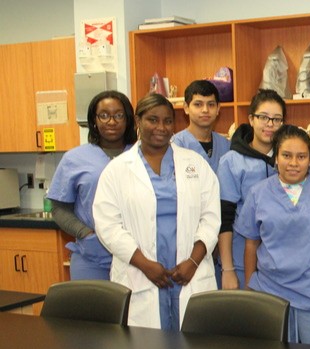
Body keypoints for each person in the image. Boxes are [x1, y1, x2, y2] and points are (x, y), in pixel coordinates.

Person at [93, 93, 220, 330]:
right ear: (138, 122)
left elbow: (211, 217)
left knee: (194, 344)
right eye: (152, 119)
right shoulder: (117, 170)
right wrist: (144, 264)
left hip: (189, 271)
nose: (161, 127)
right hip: (140, 273)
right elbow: (108, 226)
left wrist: (193, 261)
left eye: (167, 121)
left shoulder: (195, 164)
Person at [235, 124, 310, 346]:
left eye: (301, 156)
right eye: (287, 155)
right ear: (276, 158)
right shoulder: (259, 193)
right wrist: (250, 285)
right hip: (270, 292)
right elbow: (251, 243)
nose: (293, 163)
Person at [48, 90, 137, 280]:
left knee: (134, 310)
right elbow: (58, 208)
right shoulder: (74, 158)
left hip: (138, 259)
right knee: (92, 309)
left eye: (119, 115)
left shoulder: (142, 155)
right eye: (104, 115)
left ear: (128, 119)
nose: (111, 122)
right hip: (92, 258)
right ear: (94, 121)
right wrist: (86, 234)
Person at [216, 89, 285, 290]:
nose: (270, 124)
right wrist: (227, 270)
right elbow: (225, 218)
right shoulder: (232, 162)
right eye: (263, 117)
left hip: (279, 263)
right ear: (251, 119)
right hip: (239, 261)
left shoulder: (288, 160)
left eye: (277, 119)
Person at [172, 80, 230, 172]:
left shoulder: (226, 145)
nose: (205, 110)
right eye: (198, 104)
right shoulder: (176, 145)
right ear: (186, 108)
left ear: (218, 108)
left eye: (211, 105)